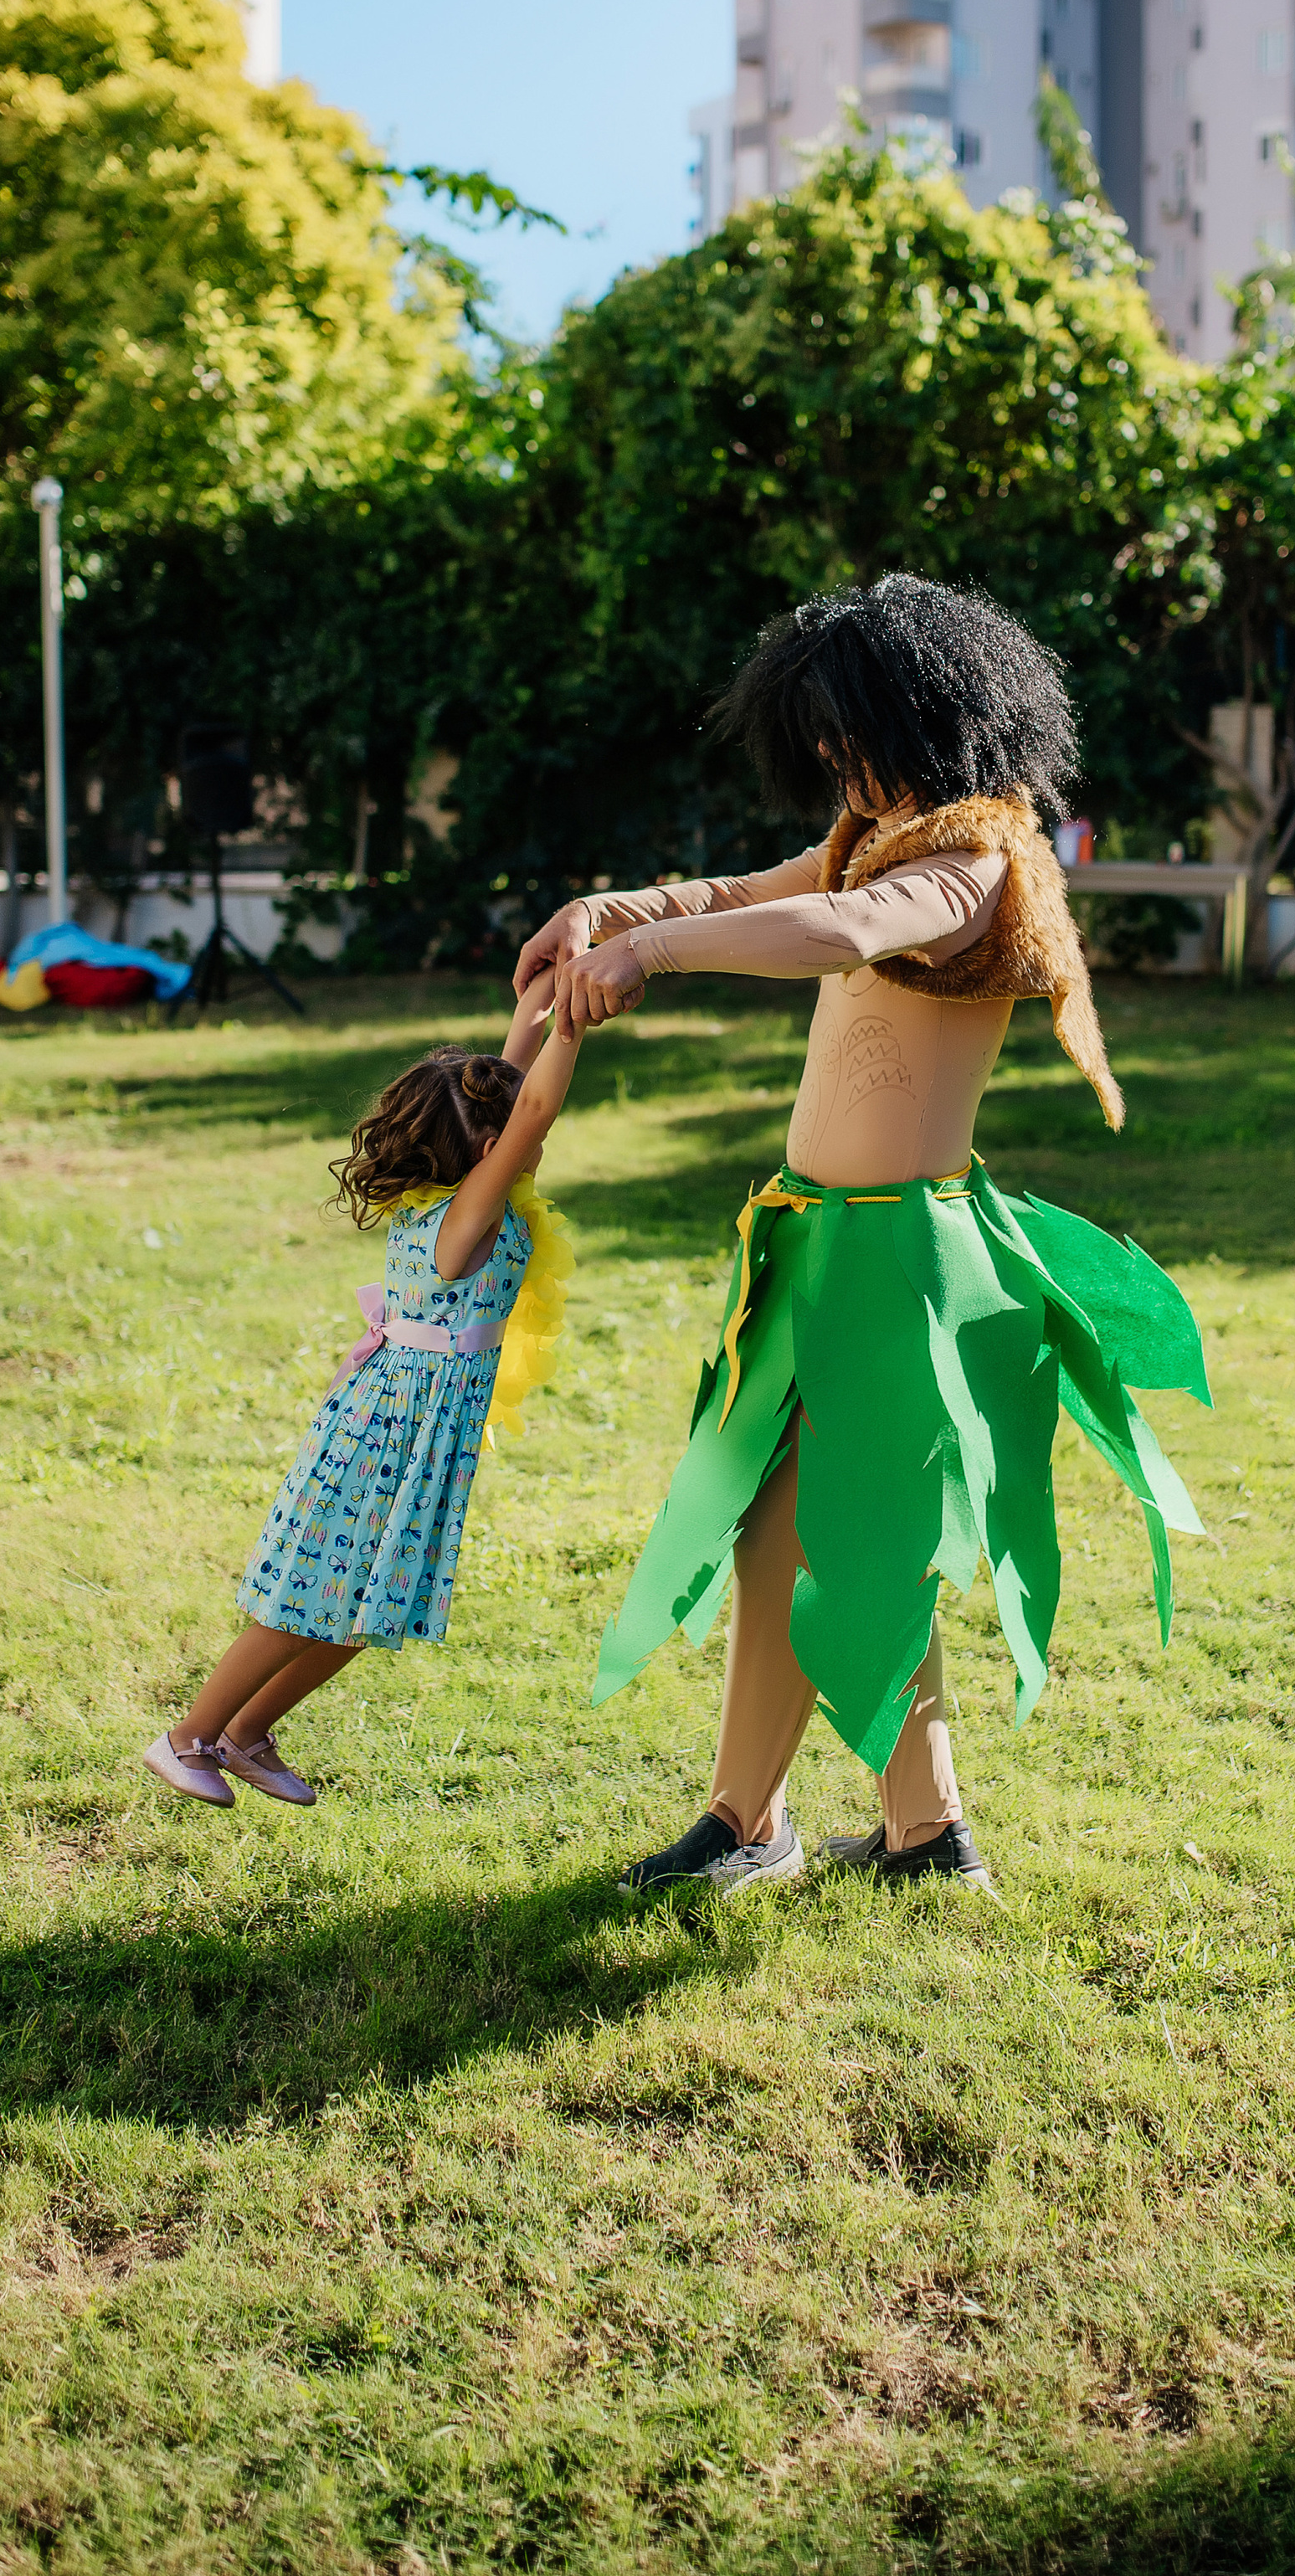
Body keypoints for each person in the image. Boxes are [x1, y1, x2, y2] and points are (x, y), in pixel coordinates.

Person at [513, 574, 1210, 1899]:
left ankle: (786, 1826)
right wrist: (614, 913)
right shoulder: (874, 837)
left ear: (933, 718)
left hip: (902, 1263)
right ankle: (895, 1831)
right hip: (819, 1250)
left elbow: (839, 930)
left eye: (853, 737)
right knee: (813, 1532)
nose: (838, 767)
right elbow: (753, 889)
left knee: (831, 1532)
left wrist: (657, 955)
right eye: (823, 746)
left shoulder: (974, 863)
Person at [144, 974, 578, 1808]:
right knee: (301, 1604)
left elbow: (509, 1095)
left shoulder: (466, 1195)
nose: (535, 1137)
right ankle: (187, 1737)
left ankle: (245, 1734)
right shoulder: (466, 1221)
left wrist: (536, 1012)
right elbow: (531, 1111)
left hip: (415, 1435)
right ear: (488, 1147)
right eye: (516, 1129)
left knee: (370, 1610)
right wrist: (578, 1032)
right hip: (389, 1434)